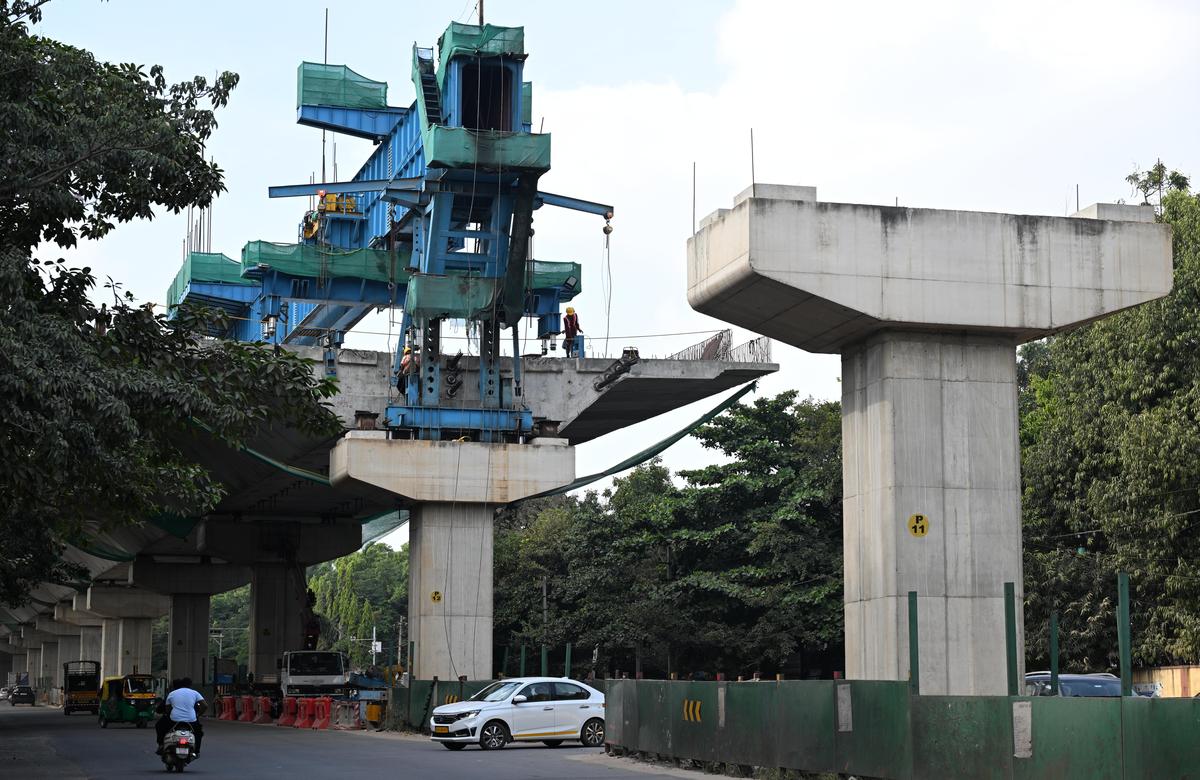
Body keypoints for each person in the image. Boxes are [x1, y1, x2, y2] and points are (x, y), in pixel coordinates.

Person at [155, 677, 206, 757]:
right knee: (198, 732)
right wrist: (198, 715)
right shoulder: (195, 693)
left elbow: (167, 709)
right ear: (190, 685)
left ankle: (161, 745)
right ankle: (196, 751)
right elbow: (204, 706)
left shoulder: (172, 694)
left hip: (174, 719)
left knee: (160, 726)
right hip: (191, 720)